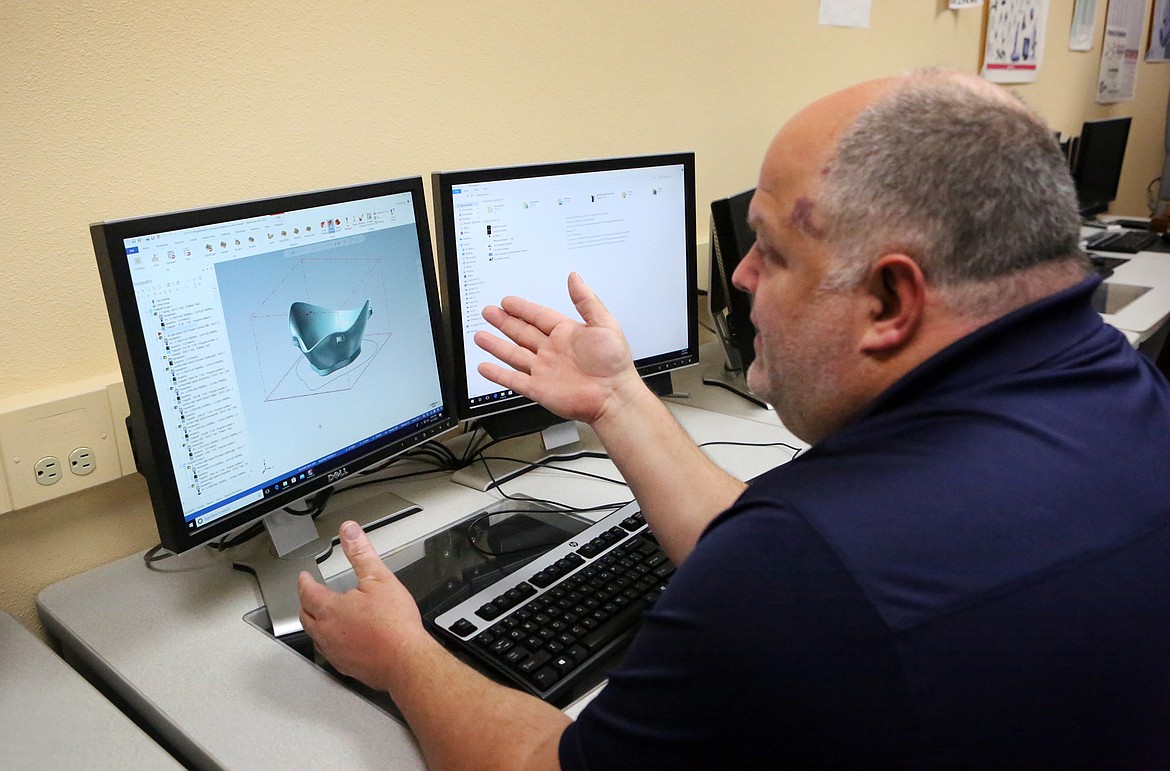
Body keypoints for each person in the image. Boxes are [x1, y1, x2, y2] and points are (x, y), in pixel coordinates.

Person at [297, 69, 1170, 768]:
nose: (742, 276)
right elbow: (793, 558)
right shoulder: (1119, 388)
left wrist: (402, 655)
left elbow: (541, 760)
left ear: (892, 298)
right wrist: (616, 396)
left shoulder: (811, 569)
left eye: (773, 249)